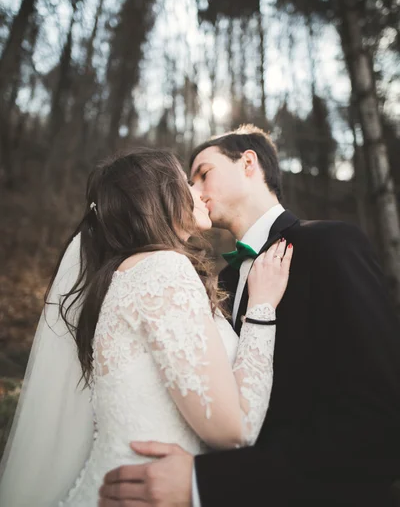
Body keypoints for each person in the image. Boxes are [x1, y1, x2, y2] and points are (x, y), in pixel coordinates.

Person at [99, 126, 400, 507]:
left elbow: (381, 425)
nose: (194, 191)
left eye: (203, 173)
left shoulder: (332, 245)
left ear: (248, 163)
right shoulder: (215, 280)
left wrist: (204, 482)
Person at [0, 146, 292, 507]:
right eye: (187, 181)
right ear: (160, 196)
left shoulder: (130, 275)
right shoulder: (163, 271)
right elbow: (236, 430)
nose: (198, 191)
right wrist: (262, 309)